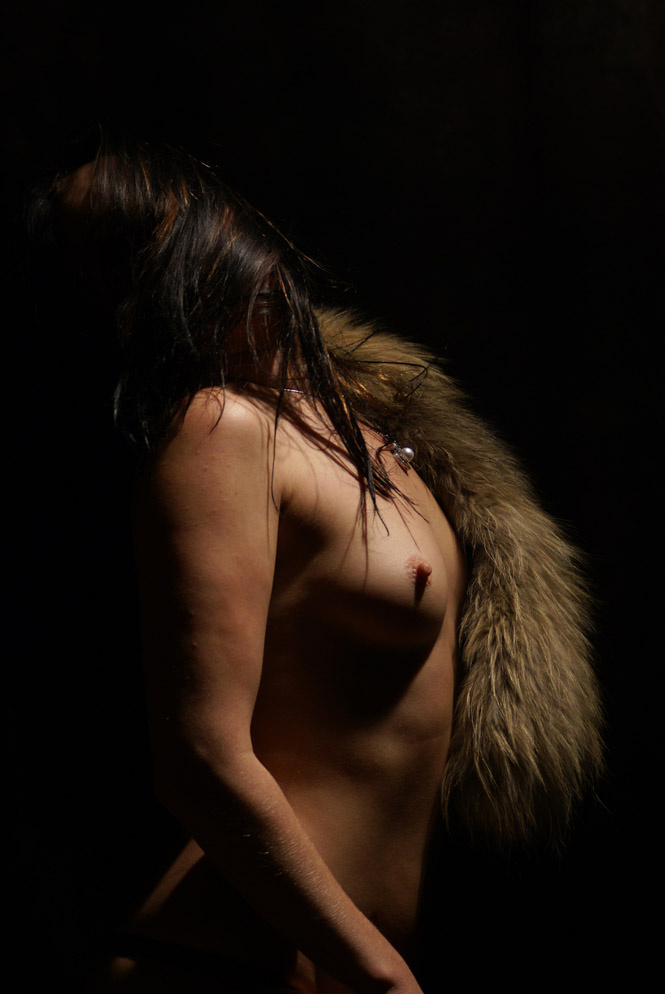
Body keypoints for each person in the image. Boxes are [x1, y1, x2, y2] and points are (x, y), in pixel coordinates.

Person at [30, 133, 603, 994]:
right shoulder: (221, 431)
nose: (195, 232)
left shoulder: (377, 430)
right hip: (232, 964)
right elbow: (199, 760)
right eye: (126, 235)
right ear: (112, 293)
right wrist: (380, 974)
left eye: (187, 199)